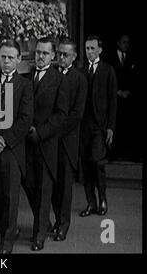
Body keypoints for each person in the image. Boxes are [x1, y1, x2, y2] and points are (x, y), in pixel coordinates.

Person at [0, 39, 33, 254]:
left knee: (11, 196)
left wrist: (5, 141)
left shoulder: (25, 85)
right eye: (3, 57)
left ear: (18, 60)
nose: (6, 61)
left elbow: (25, 119)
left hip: (12, 149)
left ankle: (7, 242)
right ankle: (7, 228)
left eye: (10, 57)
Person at [26, 37, 69, 251]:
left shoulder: (59, 80)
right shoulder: (27, 76)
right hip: (25, 143)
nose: (40, 57)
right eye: (37, 52)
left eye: (45, 53)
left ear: (53, 56)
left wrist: (40, 132)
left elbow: (61, 115)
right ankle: (43, 224)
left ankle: (39, 236)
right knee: (30, 187)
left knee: (44, 190)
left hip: (46, 144)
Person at [51, 39, 87, 241]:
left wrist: (56, 130)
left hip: (67, 140)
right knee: (53, 184)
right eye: (59, 54)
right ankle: (57, 219)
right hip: (51, 140)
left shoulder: (80, 79)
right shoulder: (53, 75)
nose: (61, 58)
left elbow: (77, 114)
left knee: (65, 186)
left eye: (65, 55)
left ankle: (64, 224)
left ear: (74, 57)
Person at [79, 36, 117, 217]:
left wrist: (110, 127)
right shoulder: (81, 71)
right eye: (87, 48)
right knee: (86, 164)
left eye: (93, 48)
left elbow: (113, 101)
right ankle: (91, 202)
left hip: (99, 126)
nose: (89, 52)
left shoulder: (108, 70)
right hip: (83, 126)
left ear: (100, 50)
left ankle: (102, 198)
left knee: (98, 162)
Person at [107, 34, 136, 160]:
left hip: (128, 98)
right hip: (114, 97)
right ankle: (113, 153)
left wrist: (129, 91)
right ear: (118, 43)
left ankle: (128, 153)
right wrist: (116, 91)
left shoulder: (132, 58)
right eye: (124, 42)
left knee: (127, 125)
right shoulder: (110, 58)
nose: (126, 45)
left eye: (128, 42)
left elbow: (135, 78)